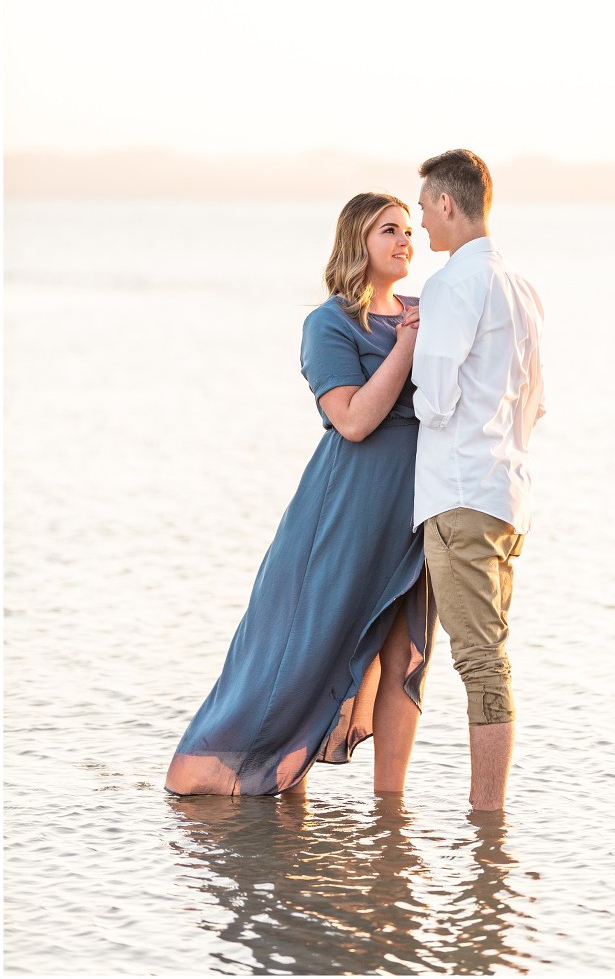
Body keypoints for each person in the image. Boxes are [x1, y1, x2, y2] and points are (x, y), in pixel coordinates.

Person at [166, 192, 436, 798]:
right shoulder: (331, 322)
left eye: (409, 230)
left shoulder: (425, 309)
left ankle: (391, 812)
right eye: (388, 230)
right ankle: (249, 775)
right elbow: (354, 421)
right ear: (356, 242)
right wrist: (406, 350)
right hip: (347, 509)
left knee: (405, 655)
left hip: (418, 507)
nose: (404, 241)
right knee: (308, 645)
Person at [411, 149, 545, 812]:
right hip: (506, 496)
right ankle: (485, 820)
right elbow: (536, 405)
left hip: (458, 491)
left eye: (423, 206)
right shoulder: (521, 289)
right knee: (487, 652)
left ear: (447, 203)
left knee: (480, 659)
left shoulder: (450, 287)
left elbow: (432, 402)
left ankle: (487, 821)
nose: (418, 221)